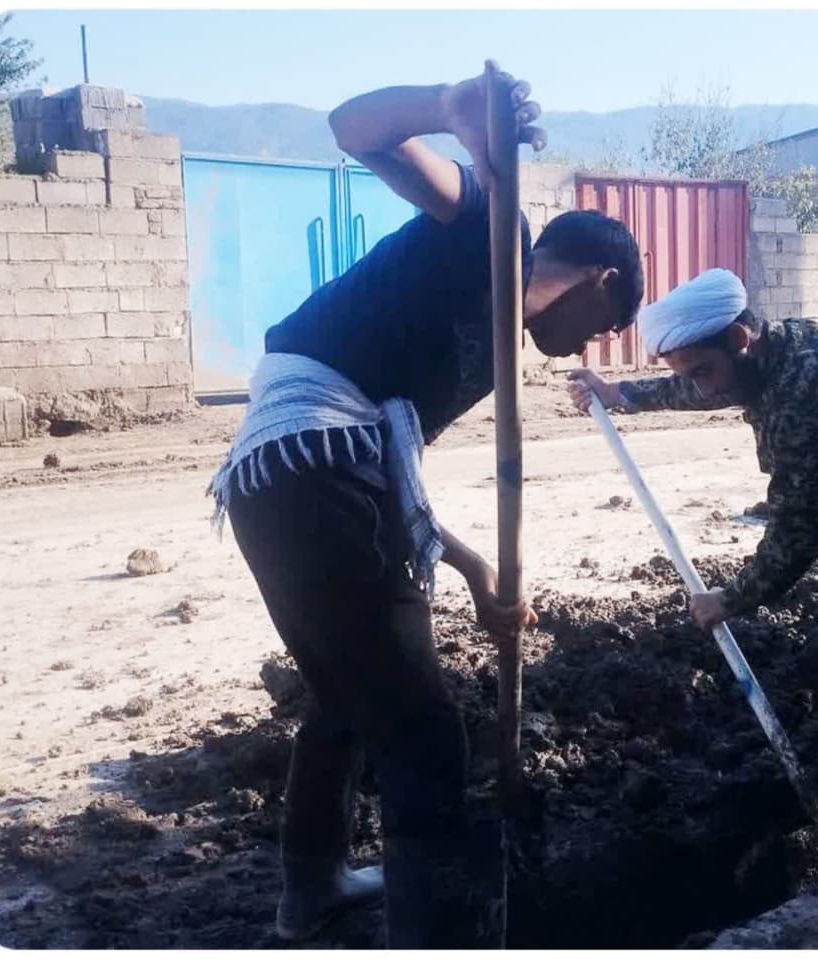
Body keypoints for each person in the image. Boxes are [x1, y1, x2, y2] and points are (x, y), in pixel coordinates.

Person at [207, 61, 644, 947]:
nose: (579, 352)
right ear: (599, 279)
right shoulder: (494, 234)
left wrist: (476, 566)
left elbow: (385, 476)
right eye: (600, 328)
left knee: (343, 695)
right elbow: (350, 126)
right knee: (425, 736)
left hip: (283, 480)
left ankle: (315, 888)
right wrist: (449, 109)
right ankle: (437, 934)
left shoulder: (488, 343)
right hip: (309, 468)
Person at [567, 268, 818, 857]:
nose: (702, 389)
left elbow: (797, 534)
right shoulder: (777, 352)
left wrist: (726, 600)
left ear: (738, 338)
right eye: (688, 373)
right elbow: (705, 384)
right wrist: (623, 394)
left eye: (703, 369)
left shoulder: (809, 393)